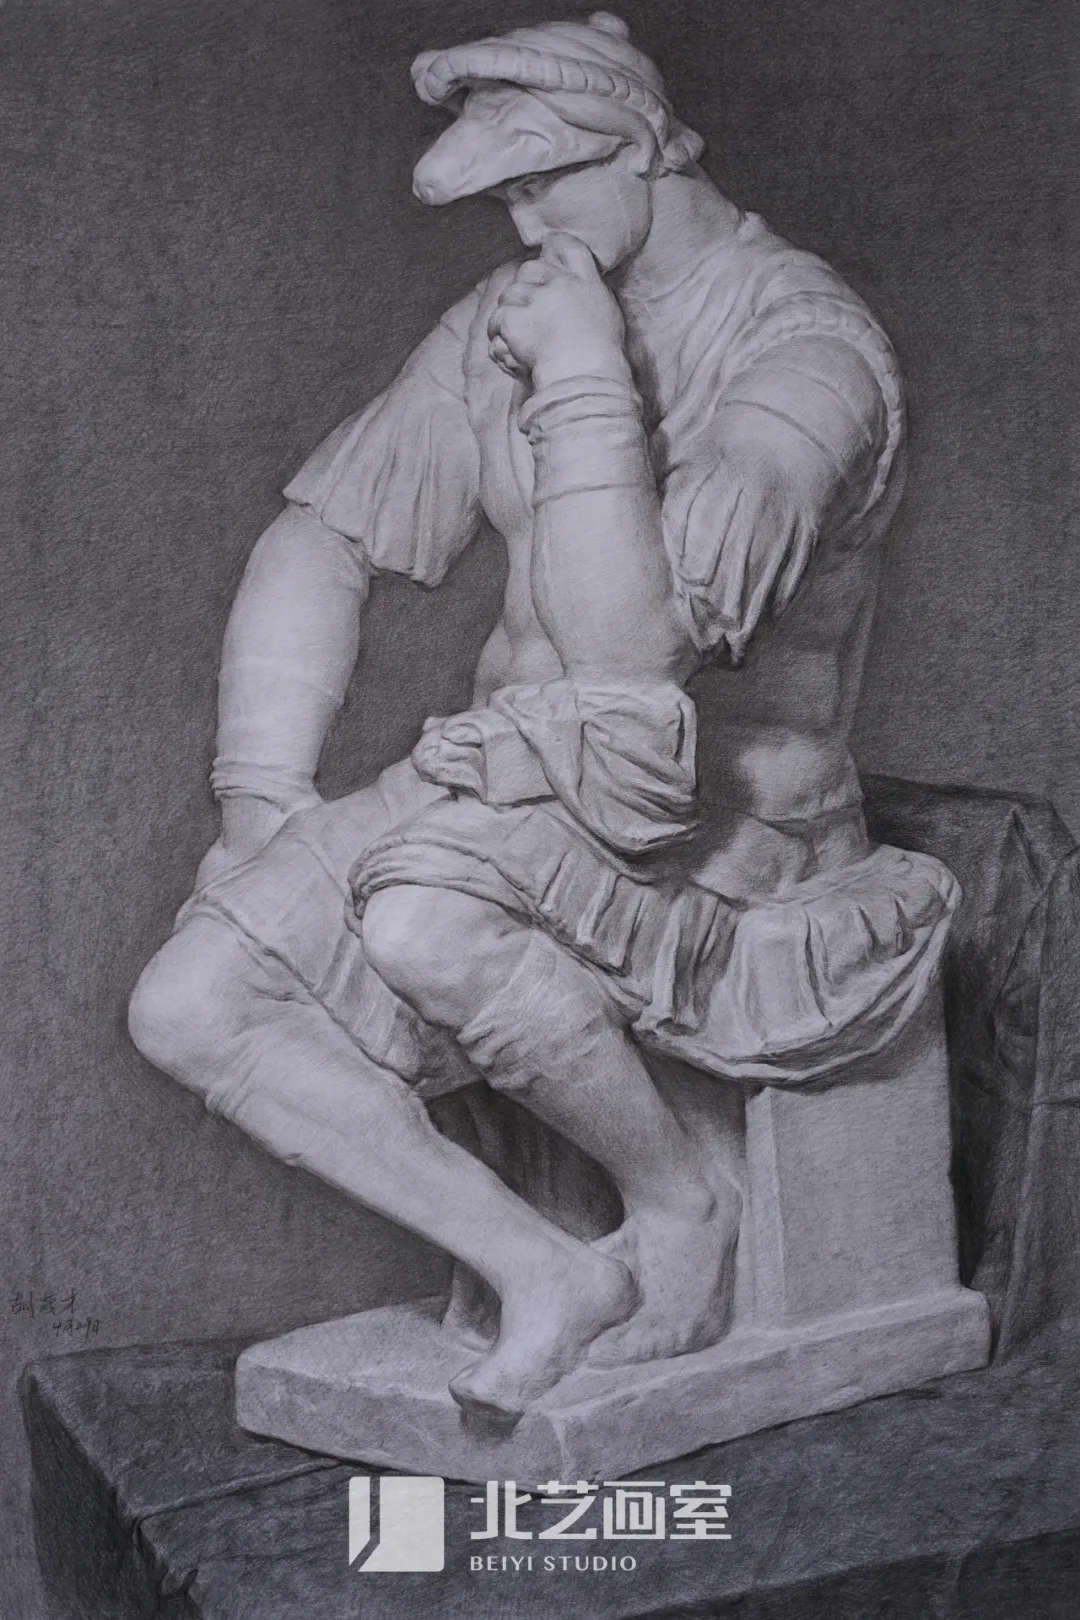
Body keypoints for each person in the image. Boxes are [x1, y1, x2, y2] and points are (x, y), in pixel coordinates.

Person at [128, 12, 958, 1423]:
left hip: (722, 835)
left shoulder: (810, 359)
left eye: (542, 182)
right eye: (506, 196)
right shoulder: (510, 314)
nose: (523, 225)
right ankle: (547, 1271)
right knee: (189, 1005)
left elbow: (632, 653)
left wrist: (581, 374)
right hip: (508, 791)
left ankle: (682, 1205)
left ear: (642, 148)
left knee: (422, 921)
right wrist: (260, 794)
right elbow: (323, 539)